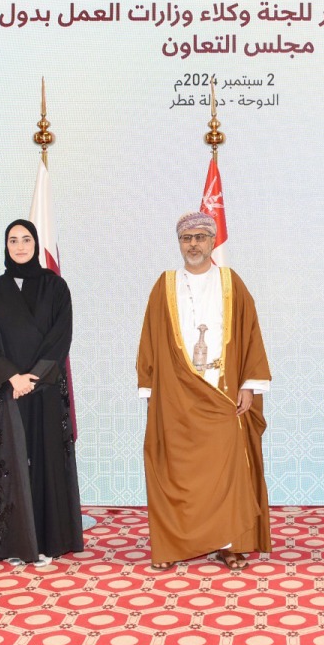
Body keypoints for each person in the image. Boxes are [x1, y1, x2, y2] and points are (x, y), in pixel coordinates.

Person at [136, 212, 272, 571]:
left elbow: (251, 335)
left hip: (223, 391)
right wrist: (150, 391)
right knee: (175, 469)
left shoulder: (231, 282)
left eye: (200, 237)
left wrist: (248, 385)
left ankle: (229, 544)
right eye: (186, 238)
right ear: (179, 243)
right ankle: (175, 544)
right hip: (176, 396)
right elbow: (149, 341)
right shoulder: (163, 284)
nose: (193, 244)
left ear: (213, 242)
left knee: (227, 469)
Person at [0, 219, 83, 564]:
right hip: (6, 392)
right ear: (5, 246)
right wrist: (12, 378)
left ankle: (48, 540)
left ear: (36, 244)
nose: (20, 246)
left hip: (45, 389)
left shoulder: (56, 287)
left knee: (44, 461)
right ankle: (10, 544)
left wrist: (32, 376)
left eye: (26, 239)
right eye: (13, 240)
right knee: (9, 463)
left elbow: (60, 337)